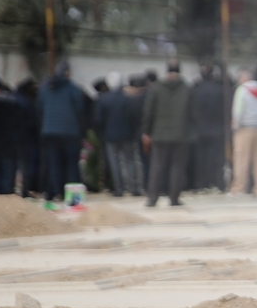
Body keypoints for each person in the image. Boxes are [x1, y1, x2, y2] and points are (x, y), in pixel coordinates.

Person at [141, 60, 194, 207]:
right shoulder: (186, 88)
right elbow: (193, 113)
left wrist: (146, 131)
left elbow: (148, 111)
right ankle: (174, 198)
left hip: (159, 135)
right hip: (181, 134)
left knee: (157, 167)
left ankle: (152, 199)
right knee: (177, 167)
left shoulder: (156, 88)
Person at [37, 62, 85, 202]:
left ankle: (55, 193)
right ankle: (74, 198)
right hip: (70, 132)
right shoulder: (72, 88)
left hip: (49, 131)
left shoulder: (45, 88)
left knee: (53, 163)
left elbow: (39, 108)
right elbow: (80, 108)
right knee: (71, 164)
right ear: (67, 73)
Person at [95, 72, 141, 197]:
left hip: (110, 136)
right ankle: (134, 188)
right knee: (130, 161)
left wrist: (101, 134)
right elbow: (134, 118)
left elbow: (98, 120)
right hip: (127, 135)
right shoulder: (128, 99)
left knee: (114, 162)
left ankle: (119, 189)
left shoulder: (103, 99)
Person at [230, 68, 257, 197]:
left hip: (244, 129)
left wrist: (236, 126)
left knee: (242, 159)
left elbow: (238, 111)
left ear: (243, 79)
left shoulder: (241, 91)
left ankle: (239, 188)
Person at [191, 62, 226, 192]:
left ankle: (200, 183)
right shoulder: (219, 89)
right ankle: (217, 182)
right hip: (217, 129)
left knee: (200, 158)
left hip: (199, 129)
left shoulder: (195, 89)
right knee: (217, 158)